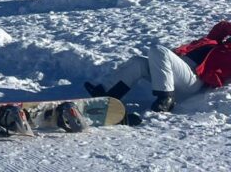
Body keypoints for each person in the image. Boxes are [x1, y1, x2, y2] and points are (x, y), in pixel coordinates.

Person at [85, 21, 231, 113]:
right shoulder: (213, 41)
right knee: (138, 63)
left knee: (159, 51)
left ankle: (166, 99)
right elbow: (221, 27)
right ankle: (108, 96)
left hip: (193, 80)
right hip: (175, 72)